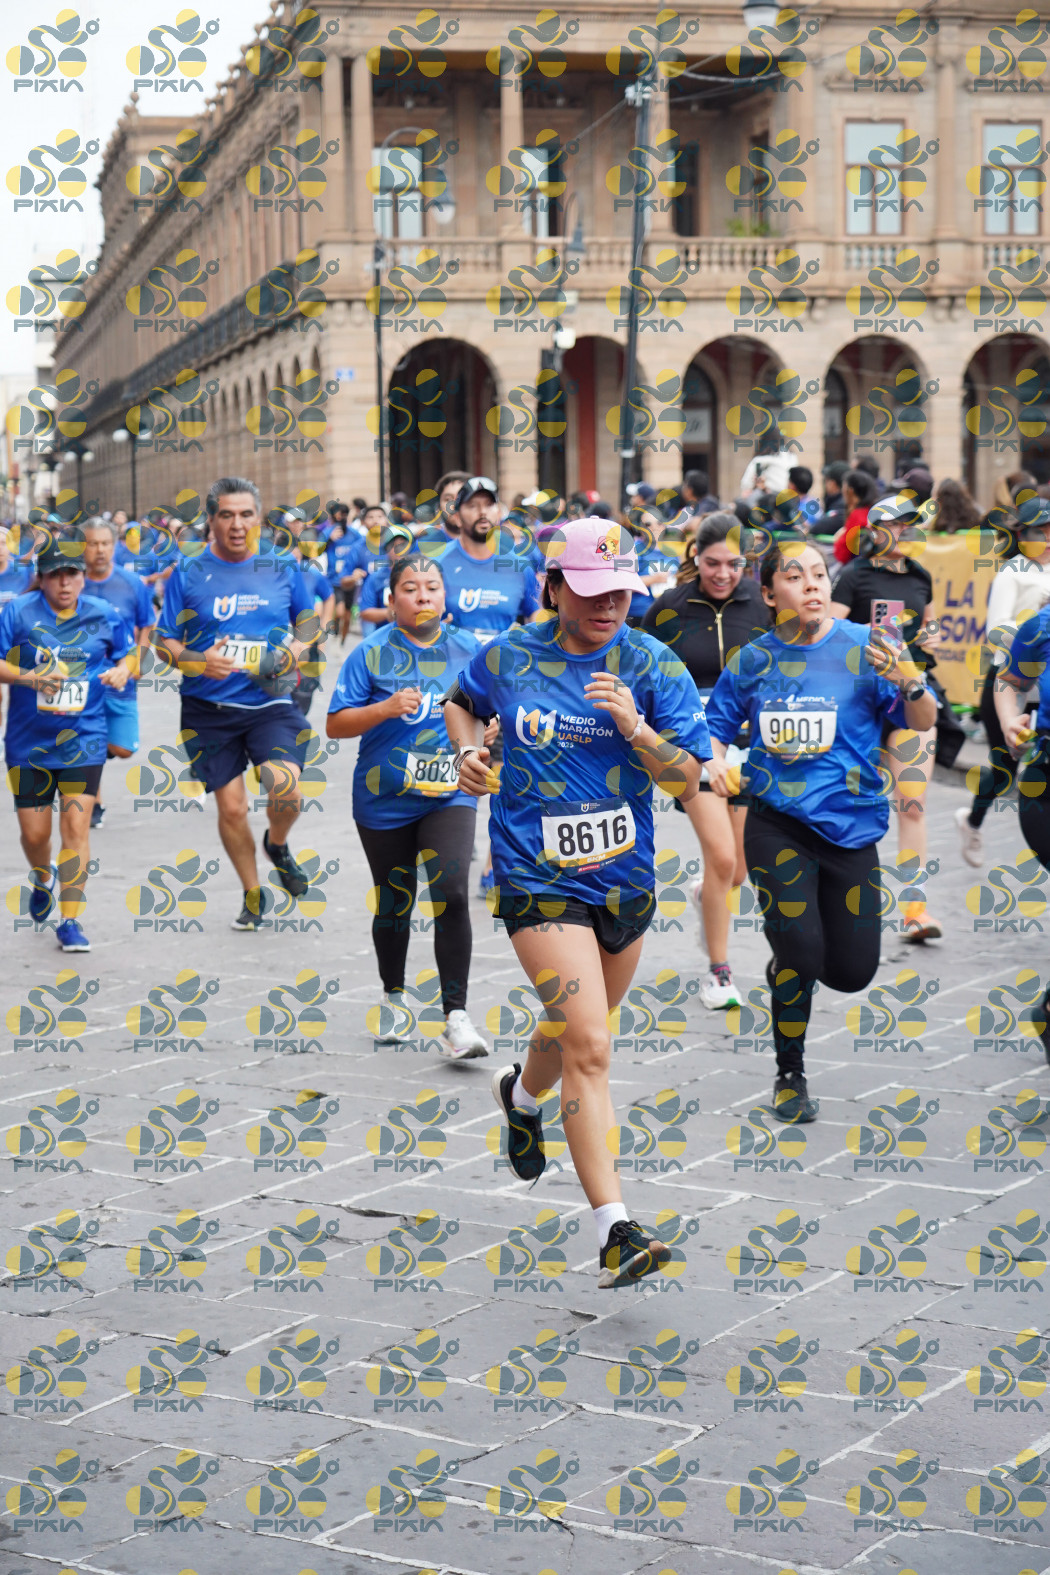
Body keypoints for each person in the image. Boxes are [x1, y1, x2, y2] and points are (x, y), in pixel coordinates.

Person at [443, 517, 711, 1287]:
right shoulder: (510, 655)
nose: (608, 606)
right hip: (536, 875)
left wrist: (636, 729)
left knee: (570, 1030)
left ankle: (522, 1096)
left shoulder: (652, 664)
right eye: (592, 591)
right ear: (554, 586)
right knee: (591, 1042)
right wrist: (468, 752)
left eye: (620, 591)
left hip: (623, 880)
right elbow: (459, 701)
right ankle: (615, 1229)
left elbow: (688, 778)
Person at [705, 536, 937, 1121]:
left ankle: (788, 964)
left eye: (818, 574)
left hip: (852, 830)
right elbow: (714, 732)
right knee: (802, 949)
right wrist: (716, 766)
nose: (811, 584)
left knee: (853, 974)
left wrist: (909, 678)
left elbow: (922, 718)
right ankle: (791, 1073)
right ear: (769, 594)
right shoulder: (752, 660)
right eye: (794, 576)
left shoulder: (867, 646)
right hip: (776, 825)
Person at [327, 554, 494, 1059]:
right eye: (411, 587)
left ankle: (456, 1017)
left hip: (451, 792)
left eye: (432, 587)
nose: (423, 595)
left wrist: (492, 731)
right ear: (392, 599)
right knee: (395, 899)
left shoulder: (471, 649)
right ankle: (393, 995)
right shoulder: (372, 652)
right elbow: (336, 723)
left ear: (446, 596)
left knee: (451, 893)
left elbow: (492, 709)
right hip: (384, 798)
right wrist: (384, 708)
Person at [155, 477, 317, 931]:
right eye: (226, 515)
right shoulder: (188, 571)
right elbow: (164, 642)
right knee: (231, 808)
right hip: (208, 709)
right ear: (211, 520)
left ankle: (277, 844)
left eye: (246, 514)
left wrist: (292, 653)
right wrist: (197, 661)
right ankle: (252, 894)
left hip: (270, 701)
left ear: (259, 518)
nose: (237, 524)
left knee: (286, 787)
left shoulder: (281, 565)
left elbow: (308, 623)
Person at [642, 513, 771, 1007]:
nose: (723, 574)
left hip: (750, 749)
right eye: (713, 563)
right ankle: (719, 973)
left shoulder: (761, 604)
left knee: (737, 871)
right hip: (694, 750)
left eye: (734, 564)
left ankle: (705, 895)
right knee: (721, 857)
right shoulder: (669, 607)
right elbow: (643, 670)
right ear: (695, 556)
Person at [0, 540, 135, 951]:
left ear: (82, 577)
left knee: (76, 827)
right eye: (55, 575)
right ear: (41, 578)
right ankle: (43, 877)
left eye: (72, 574)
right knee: (35, 835)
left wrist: (123, 671)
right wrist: (30, 678)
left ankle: (70, 921)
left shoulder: (103, 613)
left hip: (84, 737)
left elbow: (131, 654)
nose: (64, 583)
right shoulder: (18, 612)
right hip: (29, 743)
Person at [830, 493, 943, 942]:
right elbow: (829, 634)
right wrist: (868, 640)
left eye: (908, 523)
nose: (903, 530)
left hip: (909, 697)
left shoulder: (921, 576)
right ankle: (842, 898)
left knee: (912, 802)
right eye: (894, 523)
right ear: (874, 530)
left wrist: (929, 638)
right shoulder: (853, 576)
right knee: (850, 800)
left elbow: (931, 625)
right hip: (859, 701)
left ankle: (916, 910)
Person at [958, 497, 1050, 866]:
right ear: (1022, 536)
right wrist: (1034, 630)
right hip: (1009, 679)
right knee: (1005, 768)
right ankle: (972, 821)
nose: (1047, 539)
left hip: (1042, 683)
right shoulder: (1012, 573)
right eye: (1040, 532)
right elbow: (996, 630)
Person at [80, 516, 156, 828]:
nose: (100, 550)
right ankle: (93, 801)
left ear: (115, 546)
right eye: (93, 543)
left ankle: (101, 753)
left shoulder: (132, 583)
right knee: (90, 739)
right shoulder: (71, 581)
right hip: (82, 678)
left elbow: (147, 624)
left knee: (123, 748)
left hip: (121, 674)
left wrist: (140, 660)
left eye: (106, 543)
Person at [358, 523, 416, 629]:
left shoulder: (419, 576)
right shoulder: (376, 577)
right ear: (387, 549)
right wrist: (387, 613)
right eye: (394, 545)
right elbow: (365, 611)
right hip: (385, 634)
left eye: (403, 545)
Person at [832, 468, 879, 564]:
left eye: (843, 488)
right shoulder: (874, 511)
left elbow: (842, 554)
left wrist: (838, 539)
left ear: (850, 491)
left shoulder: (857, 516)